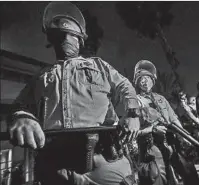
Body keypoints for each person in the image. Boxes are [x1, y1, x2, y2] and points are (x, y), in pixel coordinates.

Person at [7, 2, 140, 185]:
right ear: (51, 40)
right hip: (56, 168)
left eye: (72, 35)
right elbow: (19, 105)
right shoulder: (41, 76)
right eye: (59, 36)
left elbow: (126, 87)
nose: (65, 40)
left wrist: (133, 114)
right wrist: (21, 117)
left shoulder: (99, 65)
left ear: (81, 40)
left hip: (106, 163)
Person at [133, 60, 199, 185]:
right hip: (150, 144)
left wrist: (184, 137)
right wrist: (152, 130)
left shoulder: (160, 98)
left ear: (153, 80)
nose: (144, 81)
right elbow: (134, 129)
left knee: (189, 172)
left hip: (172, 139)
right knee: (159, 178)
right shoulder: (135, 102)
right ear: (137, 82)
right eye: (141, 78)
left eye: (148, 78)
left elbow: (173, 118)